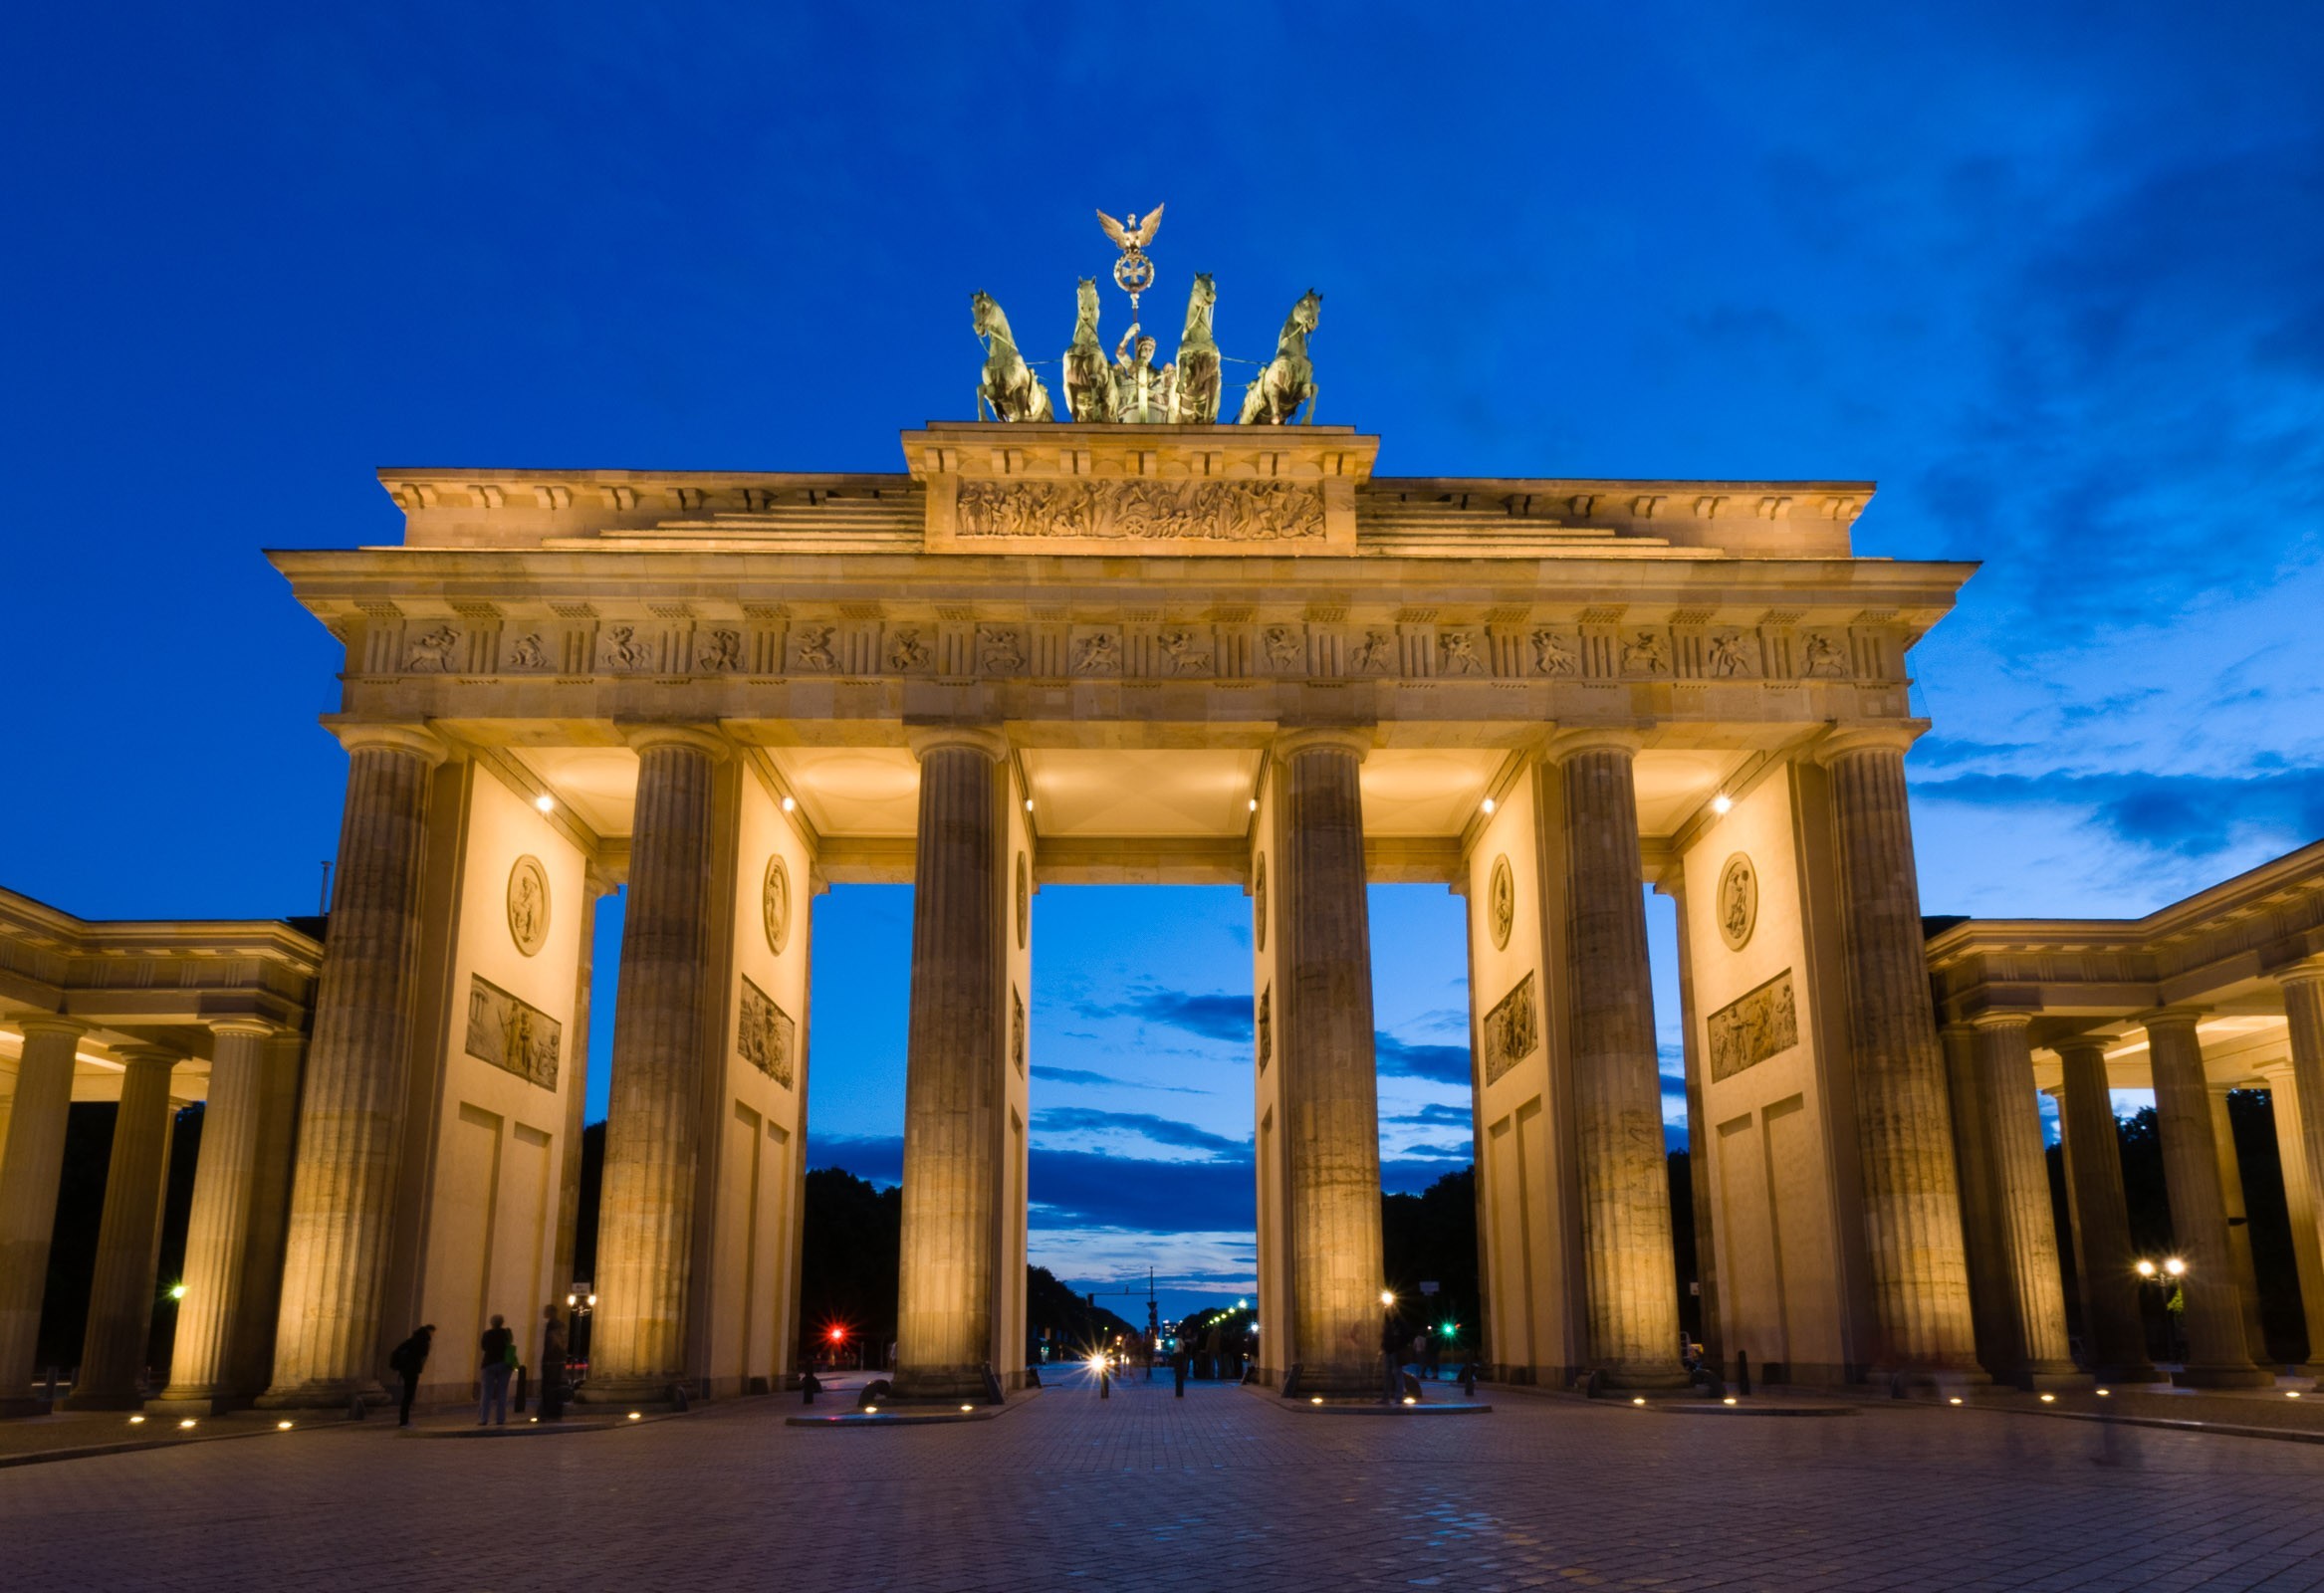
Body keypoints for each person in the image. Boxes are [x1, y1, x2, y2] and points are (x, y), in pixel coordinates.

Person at [387, 1324, 435, 1427]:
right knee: (408, 1395)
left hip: (405, 1370)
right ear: (429, 1331)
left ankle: (403, 1420)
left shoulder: (412, 1340)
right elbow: (423, 1357)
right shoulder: (424, 1341)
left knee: (407, 1395)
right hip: (412, 1371)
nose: (433, 1335)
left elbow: (399, 1350)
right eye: (432, 1332)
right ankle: (404, 1421)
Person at [478, 1313, 515, 1426]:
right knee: (502, 1392)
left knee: (486, 1392)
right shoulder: (506, 1333)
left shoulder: (487, 1334)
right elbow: (510, 1342)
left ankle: (484, 1419)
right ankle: (500, 1419)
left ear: (491, 1323)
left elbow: (483, 1347)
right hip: (504, 1364)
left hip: (489, 1364)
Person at [538, 1304, 567, 1422]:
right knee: (555, 1386)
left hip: (551, 1362)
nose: (544, 1312)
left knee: (549, 1387)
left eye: (546, 1310)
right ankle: (554, 1412)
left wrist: (548, 1358)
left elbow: (556, 1341)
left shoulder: (553, 1325)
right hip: (557, 1361)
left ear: (551, 1312)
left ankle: (549, 1412)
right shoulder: (560, 1324)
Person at [1381, 1304, 1407, 1403]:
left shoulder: (1399, 1322)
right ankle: (1385, 1398)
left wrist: (1399, 1345)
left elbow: (1407, 1334)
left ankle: (1399, 1397)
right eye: (1387, 1310)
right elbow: (1385, 1335)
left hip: (1396, 1352)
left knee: (1397, 1374)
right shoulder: (1387, 1322)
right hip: (1388, 1351)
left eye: (1391, 1310)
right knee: (1387, 1375)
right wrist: (1383, 1345)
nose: (1389, 1312)